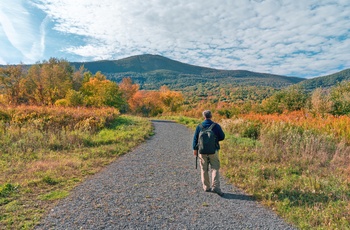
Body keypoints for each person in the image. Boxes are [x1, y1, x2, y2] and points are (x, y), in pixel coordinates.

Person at [193, 110, 225, 196]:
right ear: (211, 116)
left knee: (204, 169)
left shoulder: (199, 126)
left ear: (204, 116)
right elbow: (222, 137)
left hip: (202, 151)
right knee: (215, 168)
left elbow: (195, 139)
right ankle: (216, 187)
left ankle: (206, 187)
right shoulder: (216, 126)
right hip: (213, 151)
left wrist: (195, 150)